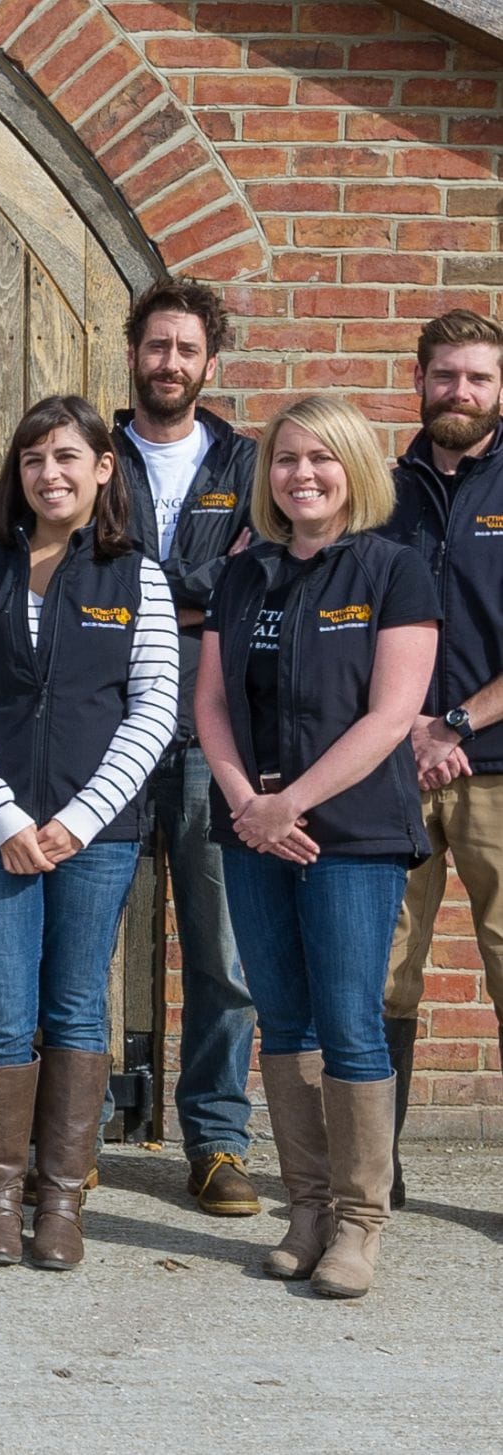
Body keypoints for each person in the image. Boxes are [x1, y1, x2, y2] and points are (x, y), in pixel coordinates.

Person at [0, 396, 177, 1271]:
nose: (51, 473)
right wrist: (4, 816)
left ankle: (62, 1197)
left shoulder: (137, 577)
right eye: (34, 459)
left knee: (76, 1005)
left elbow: (154, 708)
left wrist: (76, 820)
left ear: (104, 469)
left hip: (97, 836)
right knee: (2, 1013)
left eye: (68, 456)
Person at [202, 394, 439, 1298]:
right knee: (283, 1015)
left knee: (347, 1020)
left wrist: (290, 802)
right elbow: (212, 703)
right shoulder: (244, 574)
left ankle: (359, 1223)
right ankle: (305, 1211)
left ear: (354, 467)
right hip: (253, 827)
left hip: (352, 831)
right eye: (287, 459)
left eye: (321, 457)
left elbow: (391, 715)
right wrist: (245, 801)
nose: (302, 474)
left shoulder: (393, 569)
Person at [113, 280, 261, 1216]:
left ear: (211, 362)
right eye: (157, 345)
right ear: (133, 350)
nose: (170, 363)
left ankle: (215, 1140)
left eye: (187, 350)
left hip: (214, 728)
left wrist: (146, 587)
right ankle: (75, 1135)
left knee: (222, 950)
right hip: (107, 720)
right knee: (84, 938)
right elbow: (78, 566)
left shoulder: (251, 463)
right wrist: (199, 588)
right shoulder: (91, 451)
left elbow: (259, 574)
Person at [380, 308, 503, 1208]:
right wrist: (410, 728)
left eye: (478, 377)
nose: (461, 391)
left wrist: (453, 721)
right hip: (392, 771)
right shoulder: (381, 492)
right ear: (419, 380)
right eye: (446, 375)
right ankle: (370, 1173)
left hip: (496, 767)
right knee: (383, 971)